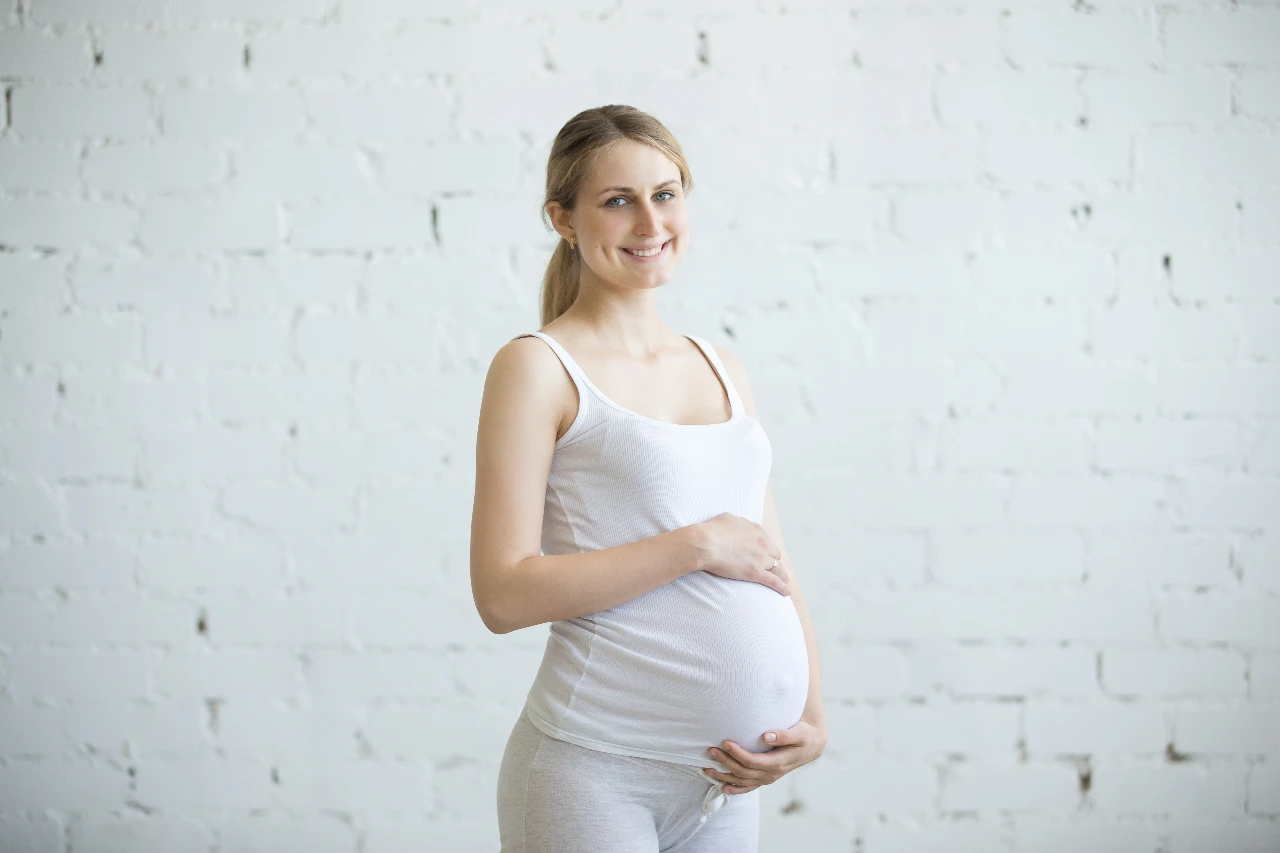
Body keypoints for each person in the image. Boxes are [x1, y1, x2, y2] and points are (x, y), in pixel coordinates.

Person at [470, 105, 827, 853]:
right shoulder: (538, 368)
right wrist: (693, 545)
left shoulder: (721, 365)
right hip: (594, 772)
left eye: (666, 194)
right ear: (562, 219)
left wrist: (813, 716)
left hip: (724, 780)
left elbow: (771, 559)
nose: (649, 221)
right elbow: (501, 594)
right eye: (617, 200)